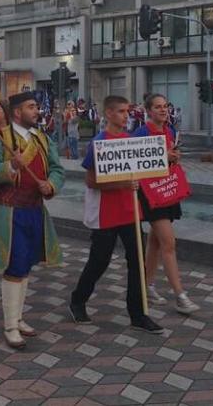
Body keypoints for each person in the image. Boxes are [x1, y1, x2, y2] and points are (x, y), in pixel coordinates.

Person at [70, 95, 164, 334]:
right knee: (99, 261)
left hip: (130, 212)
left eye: (128, 111)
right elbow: (91, 181)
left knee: (137, 263)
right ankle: (78, 300)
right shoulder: (99, 143)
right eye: (121, 111)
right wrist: (121, 184)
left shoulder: (131, 141)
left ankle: (138, 314)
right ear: (109, 114)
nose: (126, 116)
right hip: (106, 214)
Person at [0, 91, 64, 349]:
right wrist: (12, 167)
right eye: (31, 107)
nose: (36, 111)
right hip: (10, 213)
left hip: (35, 210)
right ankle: (10, 326)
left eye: (36, 106)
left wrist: (51, 185)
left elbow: (57, 169)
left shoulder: (41, 138)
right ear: (17, 112)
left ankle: (18, 316)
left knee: (26, 264)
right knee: (14, 266)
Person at [132, 94, 199, 316]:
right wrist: (164, 155)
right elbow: (135, 161)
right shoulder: (141, 133)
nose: (163, 110)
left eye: (165, 107)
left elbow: (168, 158)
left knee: (156, 241)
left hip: (166, 188)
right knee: (169, 242)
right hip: (151, 192)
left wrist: (173, 157)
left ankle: (147, 285)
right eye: (158, 107)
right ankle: (180, 295)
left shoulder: (170, 131)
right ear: (148, 111)